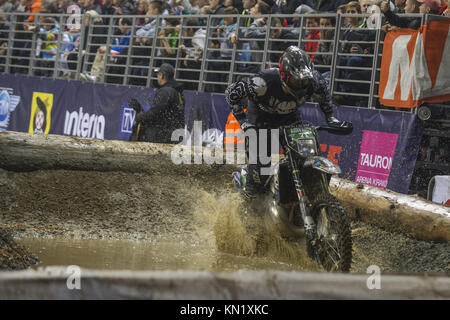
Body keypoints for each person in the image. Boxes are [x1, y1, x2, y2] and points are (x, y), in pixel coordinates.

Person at [225, 46, 353, 197]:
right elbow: (231, 93)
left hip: (290, 118)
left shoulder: (314, 81)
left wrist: (330, 117)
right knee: (261, 169)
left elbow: (324, 95)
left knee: (305, 156)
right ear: (284, 76)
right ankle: (249, 192)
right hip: (260, 119)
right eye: (296, 80)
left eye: (304, 80)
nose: (301, 84)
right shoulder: (262, 82)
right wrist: (243, 121)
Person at [129, 63, 185, 144]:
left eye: (158, 75)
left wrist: (139, 116)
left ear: (162, 76)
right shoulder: (177, 91)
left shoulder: (165, 91)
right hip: (175, 134)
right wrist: (140, 110)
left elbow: (155, 113)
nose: (157, 77)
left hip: (165, 136)